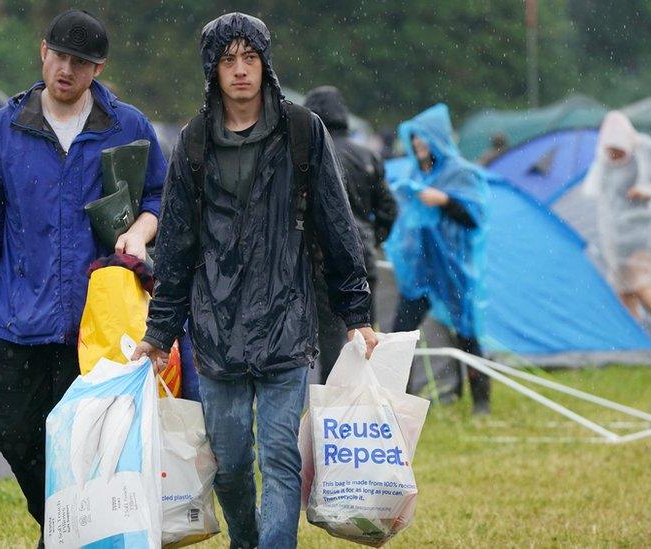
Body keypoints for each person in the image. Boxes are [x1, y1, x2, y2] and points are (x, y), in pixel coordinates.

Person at [132, 13, 377, 547]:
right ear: (211, 70)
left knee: (282, 456)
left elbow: (336, 226)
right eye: (227, 60)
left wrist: (357, 314)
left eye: (250, 58)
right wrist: (159, 333)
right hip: (216, 326)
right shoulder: (194, 142)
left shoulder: (302, 130)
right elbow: (175, 246)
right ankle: (246, 539)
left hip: (287, 318)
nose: (240, 70)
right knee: (229, 462)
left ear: (265, 63)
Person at [0, 9, 166, 538]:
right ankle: (70, 528)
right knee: (17, 436)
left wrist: (142, 231)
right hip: (22, 324)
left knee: (88, 448)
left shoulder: (127, 126)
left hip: (101, 326)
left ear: (98, 69)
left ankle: (65, 533)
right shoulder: (1, 131)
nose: (66, 69)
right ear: (43, 51)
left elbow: (157, 198)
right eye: (59, 56)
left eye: (81, 62)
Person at [384, 103, 491, 415]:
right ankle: (395, 403)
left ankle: (481, 401)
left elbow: (475, 218)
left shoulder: (461, 174)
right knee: (400, 334)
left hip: (453, 270)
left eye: (424, 139)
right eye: (414, 140)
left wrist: (444, 200)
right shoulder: (414, 174)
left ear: (438, 139)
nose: (418, 145)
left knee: (466, 334)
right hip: (420, 271)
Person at [304, 85, 397, 382]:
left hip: (322, 261)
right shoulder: (366, 155)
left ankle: (334, 408)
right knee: (368, 334)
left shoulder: (312, 154)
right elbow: (389, 210)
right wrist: (371, 239)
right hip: (364, 257)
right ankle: (371, 406)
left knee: (332, 339)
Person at [584, 111, 651, 355]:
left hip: (645, 233)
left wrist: (646, 190)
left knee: (639, 284)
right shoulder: (605, 161)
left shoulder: (647, 151)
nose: (615, 155)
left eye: (617, 150)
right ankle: (636, 344)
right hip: (619, 237)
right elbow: (598, 192)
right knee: (623, 289)